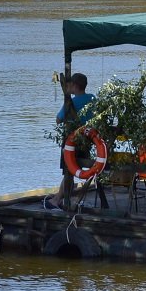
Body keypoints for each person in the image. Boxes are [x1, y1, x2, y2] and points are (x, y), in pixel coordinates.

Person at [47, 73, 96, 210]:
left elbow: (58, 119)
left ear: (74, 85)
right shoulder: (92, 98)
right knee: (73, 170)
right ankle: (61, 197)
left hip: (72, 142)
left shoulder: (72, 102)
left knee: (68, 170)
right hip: (87, 141)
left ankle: (58, 199)